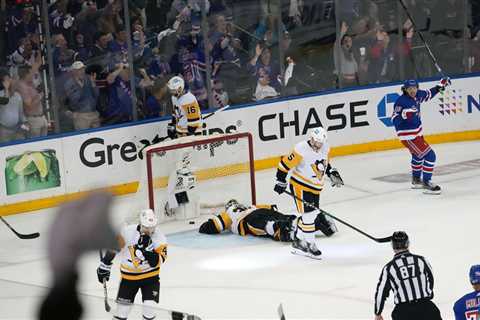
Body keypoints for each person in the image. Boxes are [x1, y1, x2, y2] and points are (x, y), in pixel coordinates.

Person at [273, 127, 344, 259]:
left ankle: (299, 242)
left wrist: (331, 172)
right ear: (311, 139)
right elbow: (284, 164)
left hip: (316, 187)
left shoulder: (325, 148)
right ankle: (311, 245)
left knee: (312, 214)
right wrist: (280, 181)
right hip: (300, 186)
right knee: (308, 216)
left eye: (321, 142)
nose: (319, 145)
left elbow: (325, 164)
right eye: (317, 142)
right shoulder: (301, 149)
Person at [96, 209, 168, 320]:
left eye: (152, 227)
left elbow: (156, 263)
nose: (150, 230)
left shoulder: (160, 237)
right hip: (128, 279)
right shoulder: (127, 232)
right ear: (140, 223)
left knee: (150, 309)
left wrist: (148, 249)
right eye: (146, 227)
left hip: (151, 278)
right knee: (121, 313)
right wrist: (105, 264)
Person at [392, 77, 451, 194]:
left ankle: (416, 180)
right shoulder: (401, 101)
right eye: (409, 88)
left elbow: (429, 94)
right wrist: (403, 115)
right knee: (430, 156)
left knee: (418, 156)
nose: (412, 90)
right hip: (408, 136)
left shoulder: (418, 94)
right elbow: (394, 118)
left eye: (414, 88)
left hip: (417, 132)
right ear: (405, 89)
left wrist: (441, 84)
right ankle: (426, 182)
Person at [374, 231, 442, 320]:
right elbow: (431, 279)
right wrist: (428, 294)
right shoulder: (421, 260)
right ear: (407, 244)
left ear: (393, 246)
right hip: (427, 308)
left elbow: (381, 292)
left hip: (403, 313)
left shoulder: (389, 268)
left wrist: (378, 313)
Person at [199, 199, 296, 242]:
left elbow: (215, 225)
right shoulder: (250, 206)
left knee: (262, 225)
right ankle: (294, 222)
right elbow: (272, 208)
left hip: (248, 219)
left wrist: (205, 226)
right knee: (275, 216)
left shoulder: (228, 213)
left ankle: (277, 229)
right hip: (260, 210)